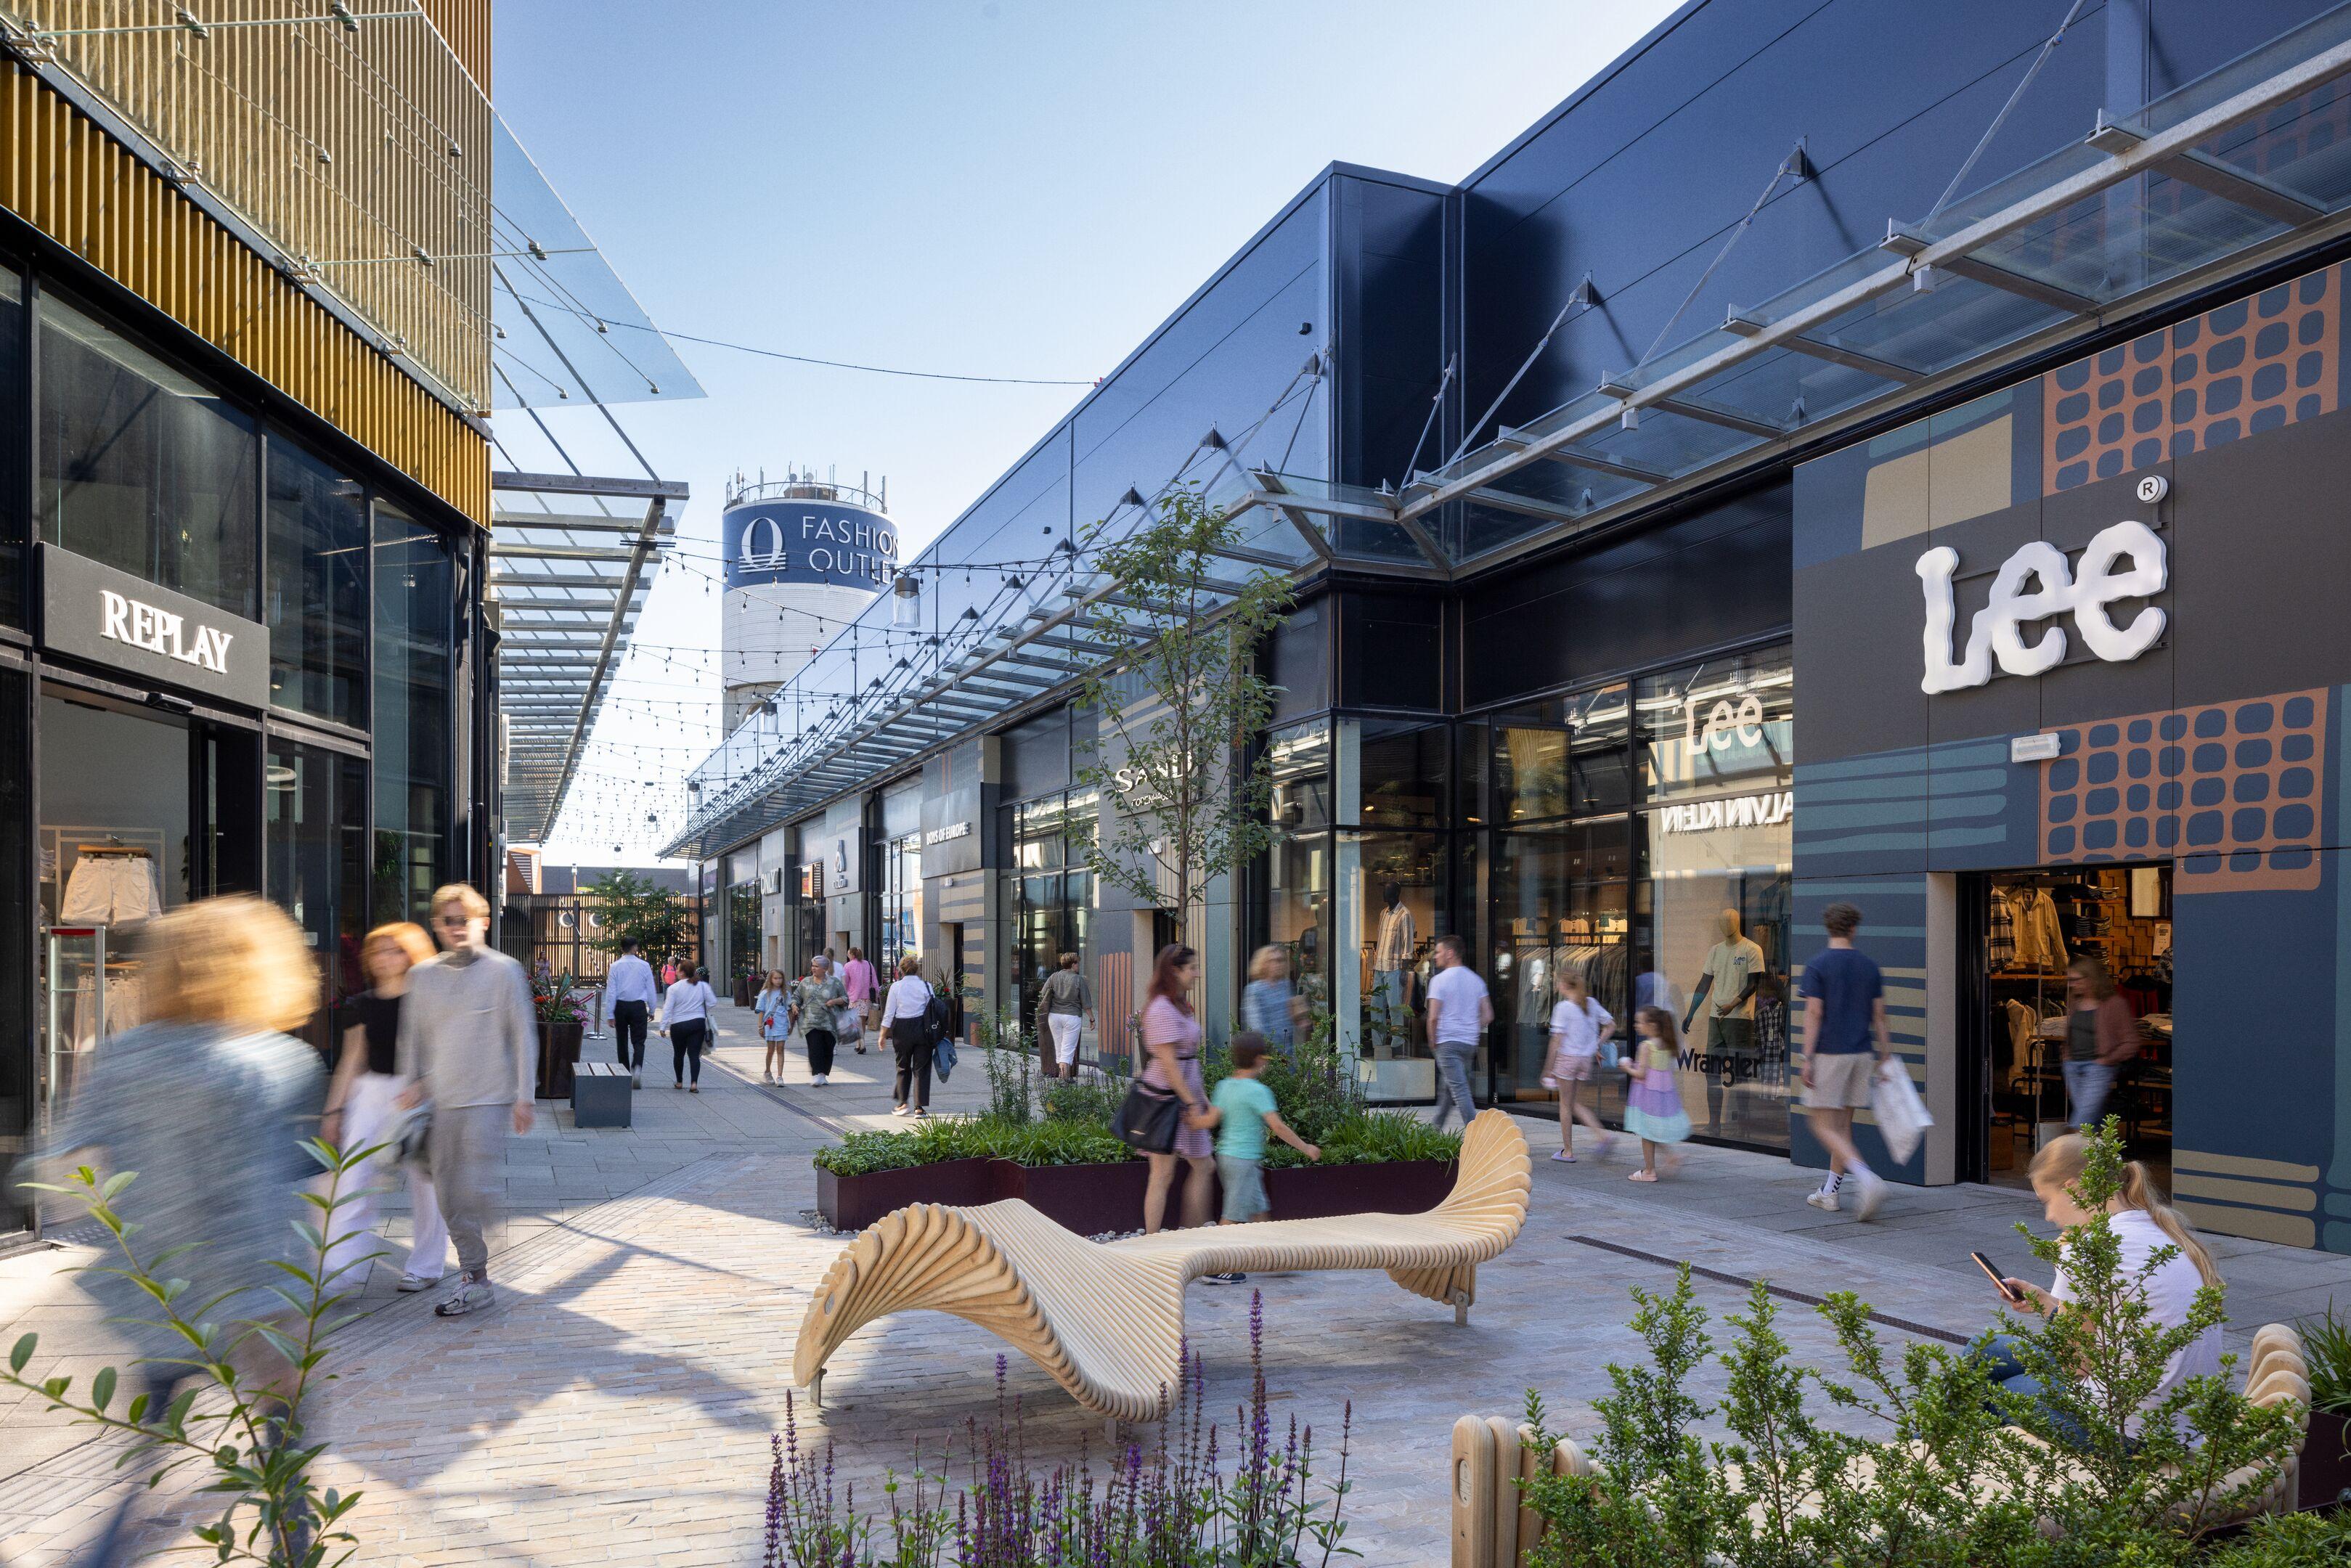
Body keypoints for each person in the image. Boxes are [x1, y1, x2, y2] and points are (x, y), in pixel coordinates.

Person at [28, 897, 327, 1568]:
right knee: (284, 1445)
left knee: (146, 1453)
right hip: (249, 1291)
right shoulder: (274, 1063)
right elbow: (262, 1197)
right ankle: (295, 1554)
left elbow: (66, 1163)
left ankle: (101, 1557)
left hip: (157, 1284)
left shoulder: (123, 1054)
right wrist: (283, 1304)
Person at [1974, 1132, 2222, 1449]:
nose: (2049, 1216)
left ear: (2073, 1188)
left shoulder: (2087, 1247)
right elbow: (2099, 1332)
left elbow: (2075, 1364)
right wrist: (2051, 1305)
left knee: (1993, 1384)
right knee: (1988, 1350)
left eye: (2046, 1201)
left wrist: (2063, 1271)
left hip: (2127, 1434)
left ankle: (1930, 1453)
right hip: (2184, 1428)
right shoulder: (2162, 1229)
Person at [398, 883, 537, 1318]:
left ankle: (476, 1267)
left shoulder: (504, 971)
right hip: (440, 1102)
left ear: (484, 922)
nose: (457, 928)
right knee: (448, 1200)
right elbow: (412, 1036)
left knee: (471, 1189)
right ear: (437, 926)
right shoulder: (422, 977)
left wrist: (524, 1097)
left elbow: (522, 1036)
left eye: (465, 920)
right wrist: (411, 1082)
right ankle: (476, 1279)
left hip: (487, 1100)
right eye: (448, 921)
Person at [321, 921, 449, 1293]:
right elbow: (351, 1060)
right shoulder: (361, 1004)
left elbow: (447, 1052)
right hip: (370, 1094)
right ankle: (341, 1269)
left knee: (426, 1184)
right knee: (353, 1179)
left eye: (395, 950)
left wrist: (425, 1085)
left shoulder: (428, 998)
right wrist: (333, 1112)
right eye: (378, 951)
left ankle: (425, 1267)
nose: (385, 958)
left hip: (419, 1094)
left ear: (412, 955)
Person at [1190, 1032, 1320, 1284]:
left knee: (1260, 1210)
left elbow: (1211, 1121)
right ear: (1259, 1060)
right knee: (1232, 1215)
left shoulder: (1224, 1085)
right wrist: (1306, 1148)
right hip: (1244, 1160)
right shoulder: (1259, 1091)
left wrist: (1191, 1122)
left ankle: (1272, 1261)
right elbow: (1278, 1127)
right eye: (1267, 1058)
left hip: (1227, 1157)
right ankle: (1215, 1267)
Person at [1797, 902, 1893, 1221]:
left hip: (1829, 1053)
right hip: (1861, 1053)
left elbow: (1814, 1013)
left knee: (1821, 1124)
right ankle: (1830, 1193)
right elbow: (1879, 1015)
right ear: (1853, 929)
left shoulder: (1818, 965)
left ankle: (1866, 1177)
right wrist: (1886, 1053)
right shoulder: (1869, 966)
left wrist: (1807, 1057)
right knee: (1842, 1127)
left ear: (1829, 928)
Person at [1138, 944, 1214, 1233]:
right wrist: (1193, 1103)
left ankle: (1188, 1240)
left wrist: (1201, 1097)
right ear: (1175, 971)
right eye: (1192, 968)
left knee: (1202, 1167)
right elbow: (1169, 1066)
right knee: (1162, 1174)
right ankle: (1154, 1242)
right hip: (1167, 1101)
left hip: (1183, 1097)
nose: (1197, 974)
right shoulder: (1161, 1009)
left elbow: (1188, 1061)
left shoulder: (1178, 1006)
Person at [1542, 970, 1615, 1164]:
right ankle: (1602, 1136)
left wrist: (1548, 1069)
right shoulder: (1591, 1003)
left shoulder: (1563, 1007)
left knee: (1566, 1105)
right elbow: (1611, 1025)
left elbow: (1556, 1040)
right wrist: (1597, 1044)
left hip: (1567, 1059)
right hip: (1585, 1059)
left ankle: (1568, 1151)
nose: (1557, 986)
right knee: (1575, 1103)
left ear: (1566, 986)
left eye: (1559, 983)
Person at [1423, 934, 1490, 1132]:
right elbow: (1488, 1014)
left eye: (1439, 952)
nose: (1435, 956)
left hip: (1447, 1043)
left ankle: (1477, 1135)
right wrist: (1471, 1028)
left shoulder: (1439, 981)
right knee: (1449, 1087)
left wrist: (1432, 1040)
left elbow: (1433, 1017)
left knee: (1459, 1090)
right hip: (1469, 1044)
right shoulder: (1476, 980)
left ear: (1450, 953)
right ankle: (1434, 1129)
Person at [2063, 956, 2137, 1131]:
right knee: (2091, 1117)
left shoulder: (2114, 1004)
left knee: (2082, 1118)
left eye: (2076, 980)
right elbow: (2071, 1033)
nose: (2072, 985)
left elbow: (2131, 1041)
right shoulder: (2075, 1002)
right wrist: (2066, 1056)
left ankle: (2069, 1152)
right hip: (2073, 1066)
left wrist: (2108, 1059)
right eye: (2069, 980)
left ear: (2090, 979)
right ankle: (2099, 1156)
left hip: (2098, 1067)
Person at [1621, 1005, 1691, 1181]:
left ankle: (1649, 1171)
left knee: (1646, 1132)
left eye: (1639, 1022)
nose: (1636, 1025)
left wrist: (1627, 1067)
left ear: (1652, 1025)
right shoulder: (1666, 1043)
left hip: (1647, 1095)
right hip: (1662, 1095)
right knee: (1651, 1130)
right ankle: (1671, 1156)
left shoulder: (1646, 1046)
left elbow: (1642, 1074)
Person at [881, 954, 936, 1116]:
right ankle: (919, 1108)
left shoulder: (896, 987)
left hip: (902, 1029)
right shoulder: (926, 986)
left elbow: (889, 1013)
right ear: (917, 969)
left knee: (903, 1066)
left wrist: (882, 1035)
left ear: (901, 971)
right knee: (922, 1068)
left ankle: (903, 1103)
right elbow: (931, 1010)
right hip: (922, 1029)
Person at [656, 960, 720, 1092]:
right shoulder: (702, 986)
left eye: (678, 970)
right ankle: (694, 1084)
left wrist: (663, 1026)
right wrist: (701, 1009)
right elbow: (713, 1002)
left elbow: (668, 1008)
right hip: (697, 1023)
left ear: (683, 973)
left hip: (678, 1025)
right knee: (694, 1055)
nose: (676, 972)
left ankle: (679, 1082)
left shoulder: (674, 988)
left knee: (678, 1054)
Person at [605, 936, 658, 1087]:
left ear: (622, 949)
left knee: (621, 1040)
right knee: (639, 1041)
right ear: (635, 948)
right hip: (638, 1006)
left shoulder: (615, 966)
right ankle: (637, 1068)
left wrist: (610, 1013)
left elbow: (611, 991)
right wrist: (652, 1009)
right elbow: (650, 989)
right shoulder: (644, 965)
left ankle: (624, 1072)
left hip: (621, 1006)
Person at [1037, 950, 1095, 1081]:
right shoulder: (1078, 979)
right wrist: (1092, 1019)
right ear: (1073, 964)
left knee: (1059, 1047)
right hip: (1072, 1017)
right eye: (1077, 963)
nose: (1078, 965)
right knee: (1068, 1048)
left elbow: (1043, 994)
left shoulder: (1054, 977)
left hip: (1054, 1017)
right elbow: (1086, 1003)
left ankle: (1066, 1076)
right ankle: (1063, 1078)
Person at [791, 953, 847, 1087]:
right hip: (810, 1022)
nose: (813, 968)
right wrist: (794, 1006)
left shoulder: (835, 982)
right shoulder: (806, 982)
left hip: (830, 1023)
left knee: (828, 1048)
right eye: (813, 966)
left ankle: (823, 1075)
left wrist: (835, 1001)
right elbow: (796, 997)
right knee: (815, 1047)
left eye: (817, 966)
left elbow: (846, 999)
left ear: (825, 969)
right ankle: (817, 1074)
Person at [1240, 944, 1307, 1056]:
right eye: (1273, 961)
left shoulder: (1286, 985)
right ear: (1263, 964)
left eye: (1281, 960)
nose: (1278, 965)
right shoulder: (1255, 990)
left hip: (1289, 1050)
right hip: (1267, 1053)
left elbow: (1292, 1014)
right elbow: (1255, 1026)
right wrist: (1269, 1050)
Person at [754, 968, 792, 1084]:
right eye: (775, 978)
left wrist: (791, 1024)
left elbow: (789, 1009)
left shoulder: (785, 994)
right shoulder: (765, 993)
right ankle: (768, 1072)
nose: (778, 980)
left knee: (780, 1049)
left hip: (781, 1024)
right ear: (770, 979)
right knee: (770, 1050)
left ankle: (780, 1076)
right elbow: (761, 1010)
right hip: (769, 1025)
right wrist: (760, 1026)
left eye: (780, 978)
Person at [839, 946, 878, 1055]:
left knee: (855, 1022)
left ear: (852, 954)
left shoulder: (848, 965)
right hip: (866, 997)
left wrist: (844, 994)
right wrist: (877, 993)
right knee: (861, 1021)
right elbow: (874, 980)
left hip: (854, 997)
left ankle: (862, 1044)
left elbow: (845, 982)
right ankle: (859, 1044)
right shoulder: (869, 964)